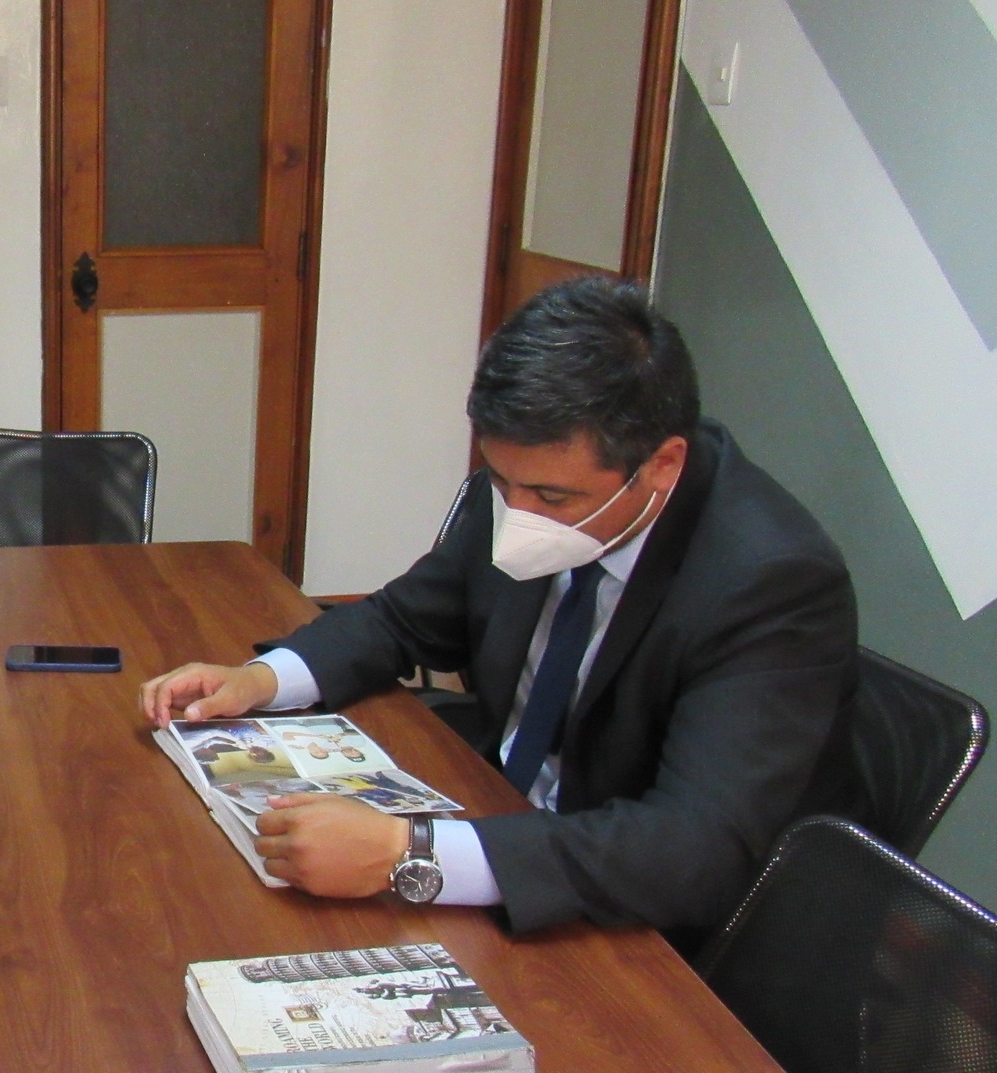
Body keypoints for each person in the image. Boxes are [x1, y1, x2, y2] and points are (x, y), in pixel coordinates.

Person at [140, 276, 857, 942]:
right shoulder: (527, 483)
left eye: (551, 497)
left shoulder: (770, 582)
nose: (518, 514)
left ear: (661, 466)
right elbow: (402, 618)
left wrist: (408, 853)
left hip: (619, 910)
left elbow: (692, 849)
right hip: (494, 808)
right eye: (500, 480)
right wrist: (261, 681)